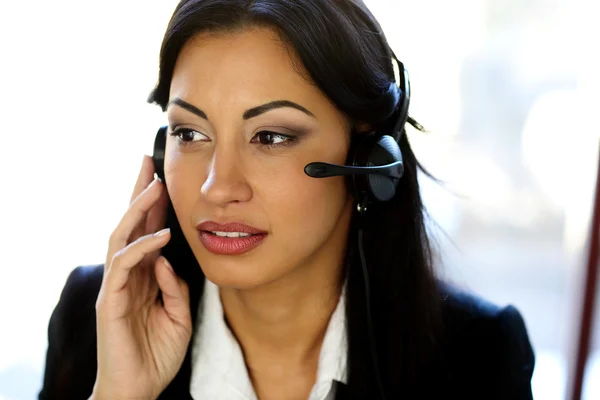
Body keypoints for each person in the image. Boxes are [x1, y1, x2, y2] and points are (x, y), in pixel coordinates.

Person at [38, 0, 535, 399]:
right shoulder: (99, 319)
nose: (217, 187)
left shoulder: (477, 356)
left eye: (271, 137)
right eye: (189, 133)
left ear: (367, 160)